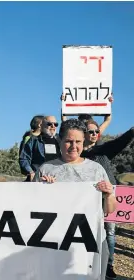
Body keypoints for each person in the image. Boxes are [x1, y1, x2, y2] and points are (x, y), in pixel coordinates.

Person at [33, 119, 117, 280]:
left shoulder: (97, 170)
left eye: (78, 141)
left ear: (84, 141)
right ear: (59, 140)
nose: (73, 146)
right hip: (54, 243)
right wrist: (42, 190)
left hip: (89, 245)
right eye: (68, 141)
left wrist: (109, 195)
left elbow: (110, 210)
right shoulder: (45, 169)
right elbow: (32, 209)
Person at [82, 121, 134, 279]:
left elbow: (120, 142)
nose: (94, 134)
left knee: (110, 233)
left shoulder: (103, 151)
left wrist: (132, 131)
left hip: (107, 199)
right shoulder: (76, 155)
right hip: (87, 201)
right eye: (90, 131)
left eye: (96, 131)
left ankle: (109, 265)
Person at [19, 116, 61, 181]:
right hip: (39, 180)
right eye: (49, 124)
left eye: (56, 124)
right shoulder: (33, 140)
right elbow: (24, 159)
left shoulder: (61, 141)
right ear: (41, 125)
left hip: (57, 179)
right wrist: (31, 172)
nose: (53, 126)